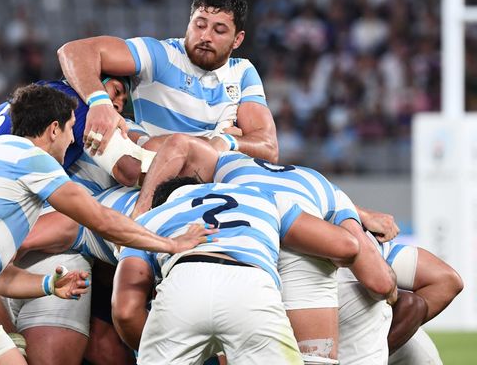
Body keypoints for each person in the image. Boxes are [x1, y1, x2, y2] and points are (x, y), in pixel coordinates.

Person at [0, 84, 213, 365]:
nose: (71, 141)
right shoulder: (32, 159)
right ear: (54, 129)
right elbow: (100, 220)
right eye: (70, 130)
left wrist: (48, 287)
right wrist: (171, 243)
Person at [128, 133, 397, 362]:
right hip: (292, 260)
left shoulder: (225, 166)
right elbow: (377, 280)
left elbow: (176, 144)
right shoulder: (326, 187)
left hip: (234, 250)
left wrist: (141, 211)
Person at [112, 177, 360, 364]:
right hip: (251, 287)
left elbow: (125, 312)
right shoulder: (262, 197)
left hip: (182, 287)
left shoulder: (149, 219)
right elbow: (346, 247)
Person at [57, 0, 278, 164]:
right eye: (199, 25)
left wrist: (228, 143)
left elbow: (268, 147)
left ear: (237, 40)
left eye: (219, 30)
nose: (205, 36)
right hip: (157, 178)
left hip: (214, 181)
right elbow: (74, 51)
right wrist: (99, 103)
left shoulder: (243, 71)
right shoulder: (161, 55)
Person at [338, 235, 463, 365]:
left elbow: (446, 281)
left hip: (365, 336)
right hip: (329, 329)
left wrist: (376, 350)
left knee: (411, 305)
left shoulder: (355, 231)